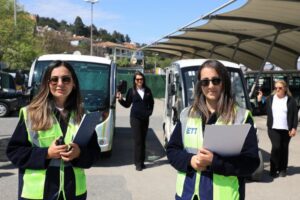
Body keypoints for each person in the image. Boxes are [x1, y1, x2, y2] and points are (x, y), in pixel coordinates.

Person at [6, 60, 101, 200]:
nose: (60, 83)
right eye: (54, 79)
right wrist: (47, 154)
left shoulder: (82, 116)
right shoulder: (30, 114)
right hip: (37, 195)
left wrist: (79, 153)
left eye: (66, 79)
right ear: (47, 83)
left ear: (73, 83)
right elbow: (14, 152)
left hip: (73, 193)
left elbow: (94, 153)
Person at [166, 60, 260, 200]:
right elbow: (172, 150)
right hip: (187, 195)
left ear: (224, 82)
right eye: (205, 82)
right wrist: (191, 161)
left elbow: (251, 163)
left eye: (216, 80)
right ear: (200, 85)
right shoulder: (187, 114)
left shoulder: (241, 117)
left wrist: (214, 162)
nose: (210, 86)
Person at [257, 79, 298, 178]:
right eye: (276, 88)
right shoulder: (270, 99)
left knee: (284, 148)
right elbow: (262, 110)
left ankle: (282, 169)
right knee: (276, 147)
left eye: (280, 88)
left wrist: (294, 128)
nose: (278, 90)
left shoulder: (290, 100)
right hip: (273, 128)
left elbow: (295, 115)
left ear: (285, 89)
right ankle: (273, 169)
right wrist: (259, 100)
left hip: (286, 129)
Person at [116, 71, 154, 171]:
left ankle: (142, 161)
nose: (139, 81)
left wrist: (149, 112)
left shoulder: (148, 90)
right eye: (137, 79)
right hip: (135, 119)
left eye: (141, 79)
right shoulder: (131, 91)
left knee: (143, 140)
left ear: (143, 80)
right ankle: (137, 163)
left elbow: (152, 103)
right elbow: (127, 104)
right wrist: (120, 100)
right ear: (135, 80)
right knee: (138, 141)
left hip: (145, 119)